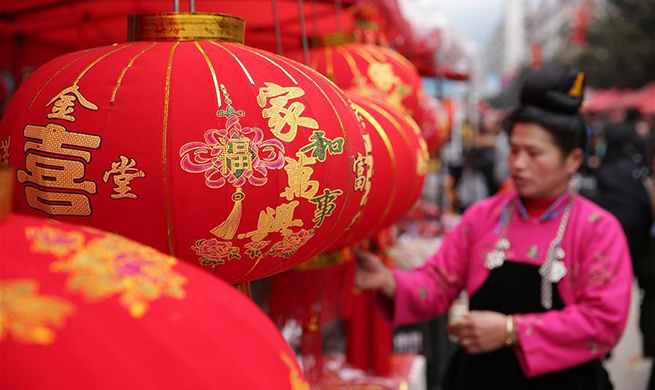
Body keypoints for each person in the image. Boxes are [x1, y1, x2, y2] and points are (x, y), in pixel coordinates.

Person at [355, 64, 632, 389]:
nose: (518, 164)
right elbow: (439, 283)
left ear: (572, 160)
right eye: (514, 150)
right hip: (480, 377)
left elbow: (604, 321)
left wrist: (510, 331)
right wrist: (387, 280)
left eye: (533, 153)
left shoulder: (597, 228)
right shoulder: (483, 216)